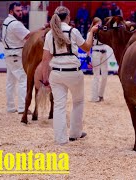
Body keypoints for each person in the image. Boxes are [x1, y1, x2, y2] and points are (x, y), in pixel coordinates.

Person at [41, 6, 98, 145]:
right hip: (73, 72)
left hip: (56, 72)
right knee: (78, 101)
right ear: (67, 16)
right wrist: (91, 32)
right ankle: (75, 133)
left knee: (59, 106)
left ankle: (60, 140)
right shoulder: (73, 31)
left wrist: (45, 79)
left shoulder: (50, 34)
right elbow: (87, 47)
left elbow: (45, 59)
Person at [2, 2, 46, 114]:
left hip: (8, 55)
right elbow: (27, 36)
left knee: (10, 82)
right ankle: (22, 108)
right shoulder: (15, 24)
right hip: (16, 55)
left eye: (21, 10)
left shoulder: (6, 21)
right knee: (23, 80)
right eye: (17, 11)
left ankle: (10, 107)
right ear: (11, 11)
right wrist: (42, 28)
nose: (20, 13)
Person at [87, 17, 108, 102]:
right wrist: (88, 58)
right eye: (97, 23)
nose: (99, 25)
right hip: (96, 53)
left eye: (100, 23)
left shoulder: (103, 32)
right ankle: (94, 97)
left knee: (105, 76)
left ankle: (101, 95)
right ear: (94, 24)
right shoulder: (90, 33)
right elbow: (88, 46)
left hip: (104, 53)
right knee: (96, 75)